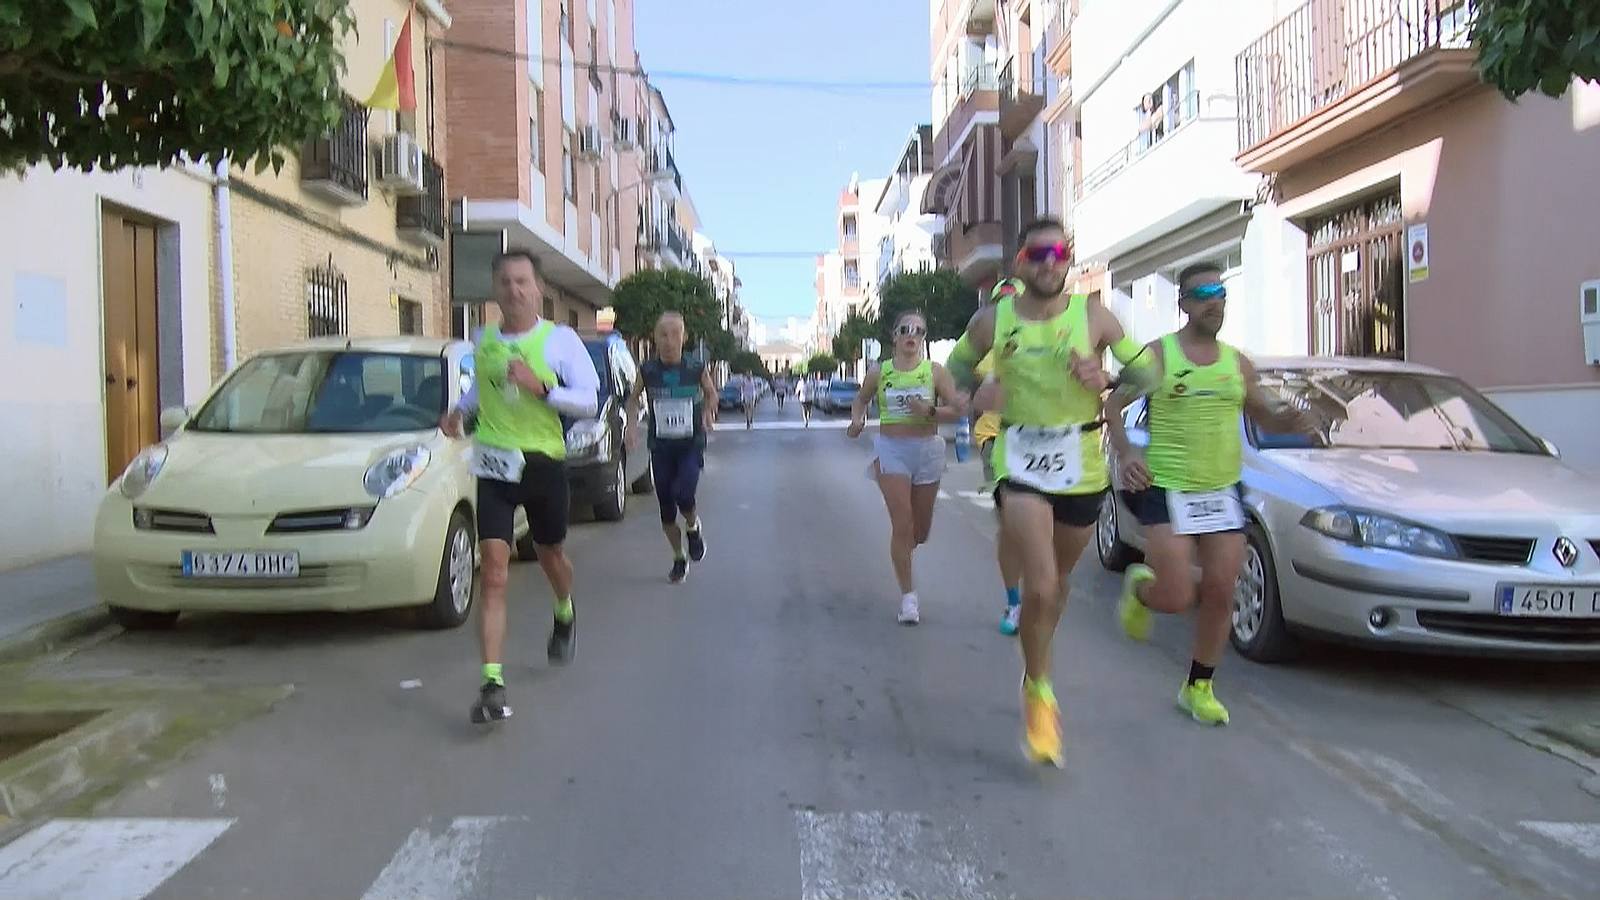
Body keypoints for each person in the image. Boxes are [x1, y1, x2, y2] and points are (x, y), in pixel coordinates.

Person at [944, 216, 1153, 767]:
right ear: (1020, 261)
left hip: (1081, 466)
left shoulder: (1095, 318)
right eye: (1038, 254)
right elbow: (954, 370)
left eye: (1058, 252)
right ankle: (1039, 692)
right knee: (1038, 587)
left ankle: (1036, 662)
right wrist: (974, 394)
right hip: (1020, 462)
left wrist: (1108, 382)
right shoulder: (993, 321)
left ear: (1070, 258)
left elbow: (1150, 373)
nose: (1049, 262)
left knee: (1056, 588)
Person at [1105, 264, 1312, 726]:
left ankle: (1198, 686)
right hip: (1168, 487)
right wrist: (1125, 455)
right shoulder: (1158, 356)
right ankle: (1143, 589)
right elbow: (1113, 404)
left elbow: (1261, 410)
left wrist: (1291, 423)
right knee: (1177, 596)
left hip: (1221, 490)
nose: (1214, 302)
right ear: (1183, 304)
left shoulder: (1237, 363)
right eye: (1202, 294)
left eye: (1220, 292)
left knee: (1222, 591)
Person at [441, 249, 600, 725]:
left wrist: (543, 388)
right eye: (505, 281)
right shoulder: (483, 338)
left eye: (523, 282)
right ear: (495, 289)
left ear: (538, 290)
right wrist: (459, 413)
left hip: (542, 463)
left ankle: (565, 610)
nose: (514, 290)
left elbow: (590, 401)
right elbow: (479, 391)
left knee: (550, 555)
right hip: (493, 463)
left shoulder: (560, 341)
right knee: (493, 568)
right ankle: (492, 682)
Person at [848, 310, 964, 625]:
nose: (912, 335)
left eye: (919, 330)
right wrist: (858, 419)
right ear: (894, 336)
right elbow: (861, 400)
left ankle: (904, 550)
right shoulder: (879, 372)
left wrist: (929, 410)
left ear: (924, 337)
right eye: (905, 329)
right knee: (902, 524)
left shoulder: (935, 372)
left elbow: (956, 410)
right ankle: (908, 598)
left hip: (927, 451)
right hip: (892, 451)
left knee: (919, 533)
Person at [626, 313, 716, 584]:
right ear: (654, 338)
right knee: (666, 510)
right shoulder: (648, 371)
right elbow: (633, 400)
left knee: (684, 493)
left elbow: (711, 393)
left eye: (675, 333)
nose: (669, 340)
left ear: (684, 337)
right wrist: (631, 427)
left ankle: (693, 527)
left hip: (690, 444)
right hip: (661, 447)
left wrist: (708, 412)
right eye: (663, 334)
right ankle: (679, 557)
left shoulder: (696, 367)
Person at [974, 277, 1025, 637]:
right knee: (1010, 525)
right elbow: (961, 385)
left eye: (1013, 299)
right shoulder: (982, 348)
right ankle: (1014, 601)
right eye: (1000, 301)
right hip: (997, 439)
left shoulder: (1052, 338)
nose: (1006, 306)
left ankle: (1043, 590)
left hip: (1051, 443)